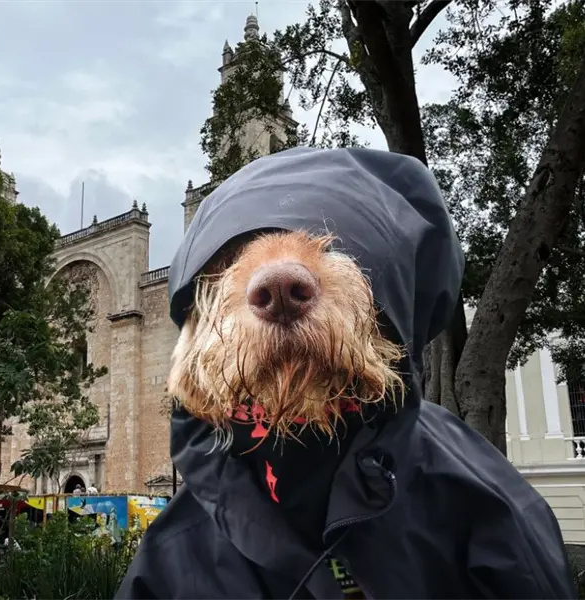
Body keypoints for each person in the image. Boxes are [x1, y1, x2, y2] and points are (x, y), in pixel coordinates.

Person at [114, 147, 576, 599]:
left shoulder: (478, 500)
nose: (277, 278)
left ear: (393, 301)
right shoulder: (174, 554)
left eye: (336, 244)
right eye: (230, 257)